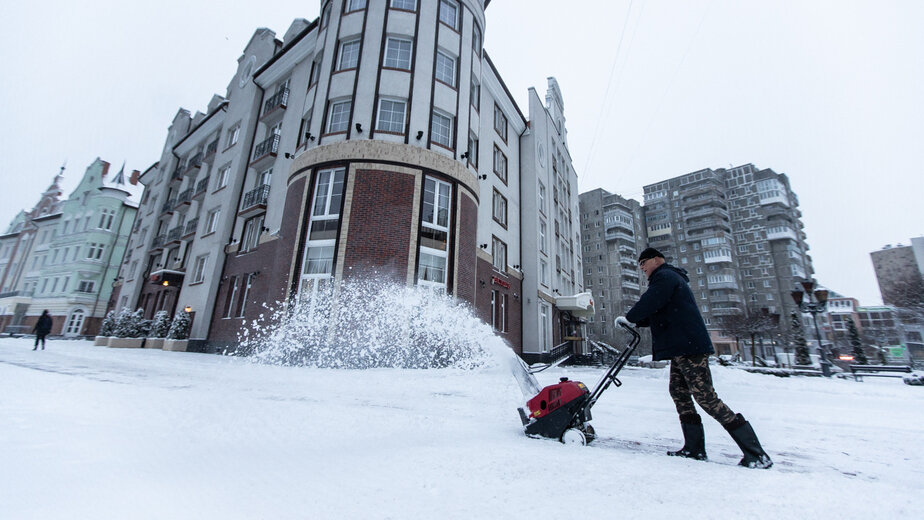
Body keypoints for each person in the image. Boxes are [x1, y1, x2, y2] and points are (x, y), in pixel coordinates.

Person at [616, 247, 772, 469]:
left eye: (643, 263)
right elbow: (659, 311)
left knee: (706, 398)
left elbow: (652, 301)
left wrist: (631, 317)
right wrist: (636, 322)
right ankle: (694, 448)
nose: (641, 268)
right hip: (681, 347)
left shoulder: (665, 276)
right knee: (678, 392)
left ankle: (756, 454)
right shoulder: (667, 279)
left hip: (689, 347)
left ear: (657, 260)